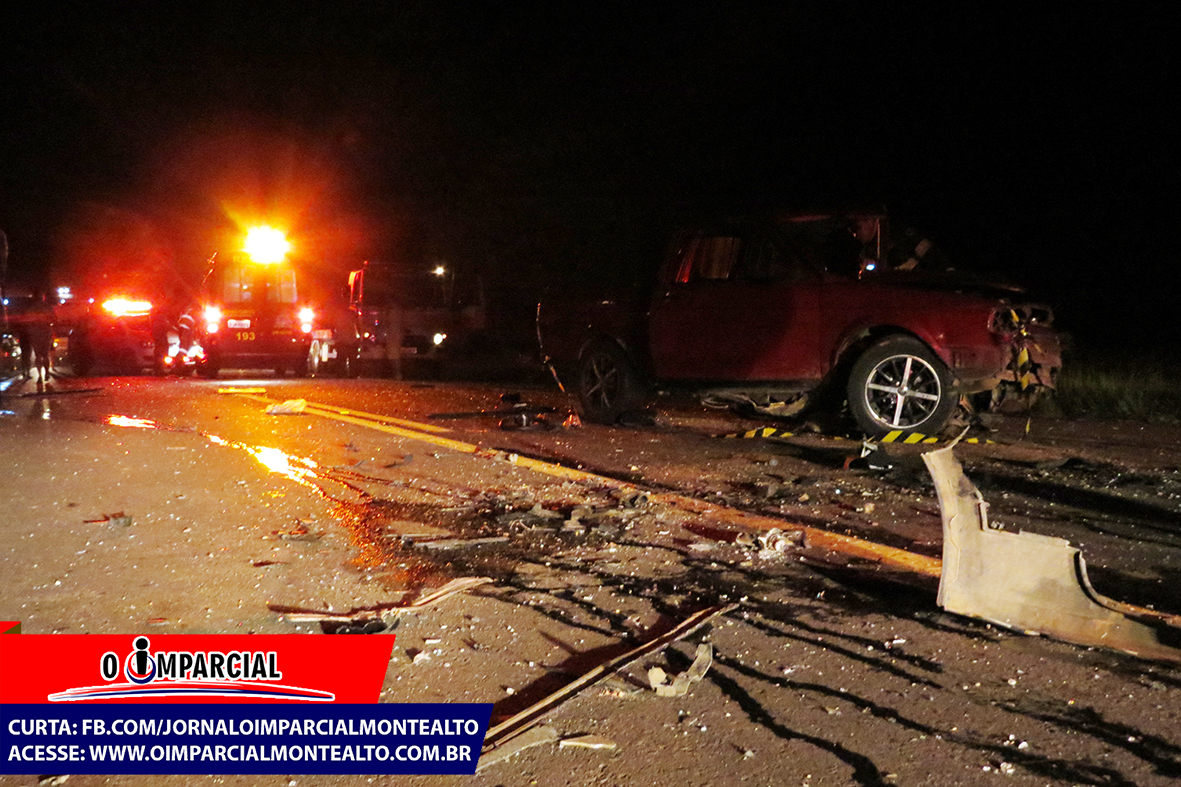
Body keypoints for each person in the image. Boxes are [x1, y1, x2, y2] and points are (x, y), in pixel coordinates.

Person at [26, 288, 55, 389]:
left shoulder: (32, 308)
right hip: (46, 331)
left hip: (35, 332)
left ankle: (40, 375)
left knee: (38, 355)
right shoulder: (47, 307)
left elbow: (28, 321)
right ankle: (46, 372)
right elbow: (53, 318)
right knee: (45, 354)